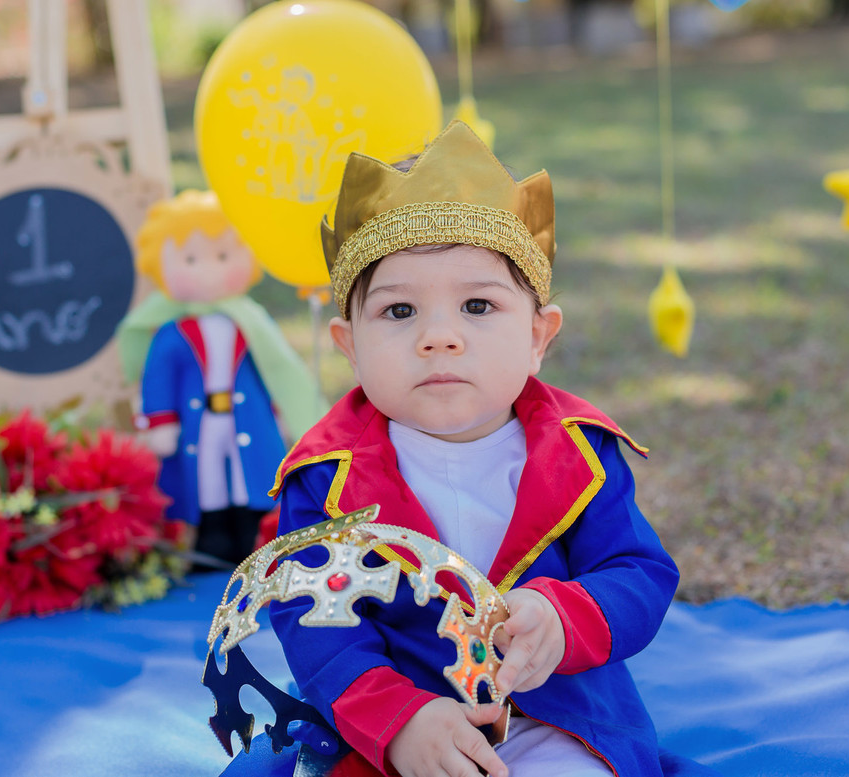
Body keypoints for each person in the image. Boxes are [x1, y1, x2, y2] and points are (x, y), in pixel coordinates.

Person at [269, 122, 719, 777]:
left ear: (539, 334)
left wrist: (564, 618)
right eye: (400, 313)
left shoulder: (581, 457)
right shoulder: (324, 476)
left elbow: (638, 572)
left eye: (478, 304)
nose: (440, 336)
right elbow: (315, 621)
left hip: (554, 715)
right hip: (396, 729)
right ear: (348, 345)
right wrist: (397, 719)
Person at [118, 190, 323, 566]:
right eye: (191, 259)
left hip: (248, 416)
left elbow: (272, 371)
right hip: (200, 422)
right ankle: (211, 537)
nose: (209, 270)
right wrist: (160, 422)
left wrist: (278, 411)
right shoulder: (170, 334)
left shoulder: (253, 325)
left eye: (224, 256)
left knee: (252, 474)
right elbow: (158, 379)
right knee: (206, 477)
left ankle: (254, 532)